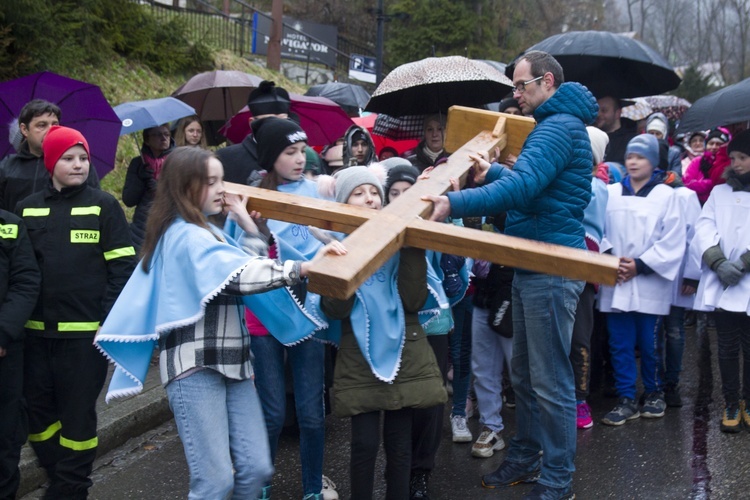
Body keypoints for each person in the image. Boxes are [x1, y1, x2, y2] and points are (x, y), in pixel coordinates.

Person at [96, 146, 345, 499]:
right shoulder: (184, 235)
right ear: (184, 187)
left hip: (233, 364)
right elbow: (241, 275)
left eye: (220, 180)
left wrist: (246, 224)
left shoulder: (205, 231)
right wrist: (302, 267)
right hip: (195, 369)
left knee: (257, 469)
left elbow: (236, 264)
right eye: (210, 182)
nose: (221, 189)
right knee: (213, 483)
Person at [423, 50, 597, 499]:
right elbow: (538, 190)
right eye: (514, 87)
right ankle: (524, 456)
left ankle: (557, 481)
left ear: (547, 82)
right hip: (531, 260)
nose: (515, 94)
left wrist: (453, 203)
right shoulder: (554, 126)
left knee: (551, 380)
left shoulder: (557, 128)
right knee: (524, 375)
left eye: (521, 86)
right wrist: (493, 170)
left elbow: (522, 189)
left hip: (550, 267)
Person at [16, 126, 137, 499]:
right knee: (38, 417)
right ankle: (58, 474)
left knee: (78, 417)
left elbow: (123, 269)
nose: (78, 164)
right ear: (51, 162)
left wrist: (107, 322)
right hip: (35, 336)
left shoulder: (103, 205)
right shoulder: (27, 208)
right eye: (68, 158)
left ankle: (71, 488)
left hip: (84, 338)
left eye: (82, 157)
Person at [316, 165, 447, 500]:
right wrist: (334, 267)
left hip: (404, 347)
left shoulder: (398, 239)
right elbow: (335, 310)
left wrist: (413, 247)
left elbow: (414, 300)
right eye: (359, 193)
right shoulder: (334, 245)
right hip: (358, 352)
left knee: (400, 446)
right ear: (344, 201)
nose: (370, 199)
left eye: (374, 192)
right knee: (363, 445)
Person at [245, 117, 338, 500]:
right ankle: (260, 485)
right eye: (290, 152)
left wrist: (325, 233)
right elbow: (238, 262)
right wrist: (258, 231)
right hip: (264, 315)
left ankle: (313, 489)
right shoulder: (250, 198)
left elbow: (338, 243)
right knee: (271, 413)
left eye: (302, 151)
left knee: (312, 413)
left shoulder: (318, 191)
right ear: (270, 158)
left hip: (310, 313)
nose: (301, 159)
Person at [597, 134, 685, 426]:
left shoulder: (667, 195)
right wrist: (611, 258)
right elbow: (598, 228)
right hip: (616, 277)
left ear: (654, 161)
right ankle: (626, 397)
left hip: (649, 281)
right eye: (630, 156)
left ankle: (653, 391)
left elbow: (673, 238)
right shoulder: (610, 192)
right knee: (619, 343)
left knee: (649, 342)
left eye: (641, 156)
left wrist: (641, 265)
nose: (633, 161)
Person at [692, 129, 750, 432]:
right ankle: (730, 402)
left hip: (747, 278)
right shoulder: (719, 192)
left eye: (743, 158)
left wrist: (744, 262)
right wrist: (718, 261)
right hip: (724, 281)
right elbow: (704, 227)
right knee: (726, 346)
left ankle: (748, 401)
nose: (736, 163)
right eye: (735, 157)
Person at [570, 126, 610, 430]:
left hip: (582, 272)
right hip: (558, 267)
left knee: (580, 339)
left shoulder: (596, 187)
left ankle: (579, 399)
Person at [0, 208, 40, 499]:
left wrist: (4, 331)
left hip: (5, 348)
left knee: (5, 436)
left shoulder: (11, 225)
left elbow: (25, 281)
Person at [0, 99, 99, 212]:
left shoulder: (76, 164)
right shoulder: (6, 167)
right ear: (24, 129)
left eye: (54, 125)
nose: (50, 130)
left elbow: (94, 203)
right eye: (42, 125)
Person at [216, 80, 291, 184]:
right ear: (252, 123)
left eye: (283, 121)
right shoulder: (225, 158)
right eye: (270, 121)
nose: (278, 127)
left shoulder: (296, 158)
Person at [122, 124, 174, 251]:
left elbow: (185, 195)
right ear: (147, 140)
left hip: (170, 224)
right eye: (157, 134)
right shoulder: (138, 163)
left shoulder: (178, 160)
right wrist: (140, 180)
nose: (163, 138)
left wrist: (159, 187)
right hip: (142, 228)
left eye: (166, 134)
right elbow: (129, 200)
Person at [683, 127, 731, 204]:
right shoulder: (697, 161)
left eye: (719, 144)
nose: (714, 147)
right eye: (711, 143)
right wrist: (711, 183)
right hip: (697, 203)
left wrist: (700, 184)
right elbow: (688, 183)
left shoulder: (728, 163)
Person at [595, 96, 637, 166]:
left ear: (617, 113)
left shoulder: (632, 141)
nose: (598, 114)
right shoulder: (591, 137)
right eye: (597, 110)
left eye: (604, 110)